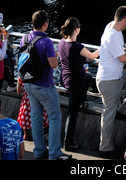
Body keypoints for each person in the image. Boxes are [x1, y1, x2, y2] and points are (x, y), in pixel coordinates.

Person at [19, 10, 71, 160]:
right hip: (44, 85)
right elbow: (54, 65)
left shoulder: (25, 38)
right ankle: (54, 153)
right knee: (54, 115)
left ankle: (39, 151)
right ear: (45, 24)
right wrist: (56, 55)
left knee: (36, 117)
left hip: (28, 83)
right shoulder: (46, 42)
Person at [96, 6, 126, 157]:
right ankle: (105, 148)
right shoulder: (112, 35)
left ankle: (123, 110)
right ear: (124, 19)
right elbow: (123, 58)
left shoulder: (112, 26)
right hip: (109, 80)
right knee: (108, 115)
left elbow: (121, 51)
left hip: (114, 76)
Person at [58, 17, 99, 150]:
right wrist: (105, 46)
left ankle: (81, 101)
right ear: (77, 30)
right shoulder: (77, 46)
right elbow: (92, 56)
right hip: (75, 82)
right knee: (72, 113)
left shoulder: (61, 43)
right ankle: (68, 143)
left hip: (65, 79)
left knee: (88, 77)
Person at [17, 77, 49, 141]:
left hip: (26, 98)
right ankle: (38, 134)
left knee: (25, 114)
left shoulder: (20, 78)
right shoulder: (36, 76)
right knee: (38, 114)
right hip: (37, 97)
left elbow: (19, 91)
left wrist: (25, 90)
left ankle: (25, 134)